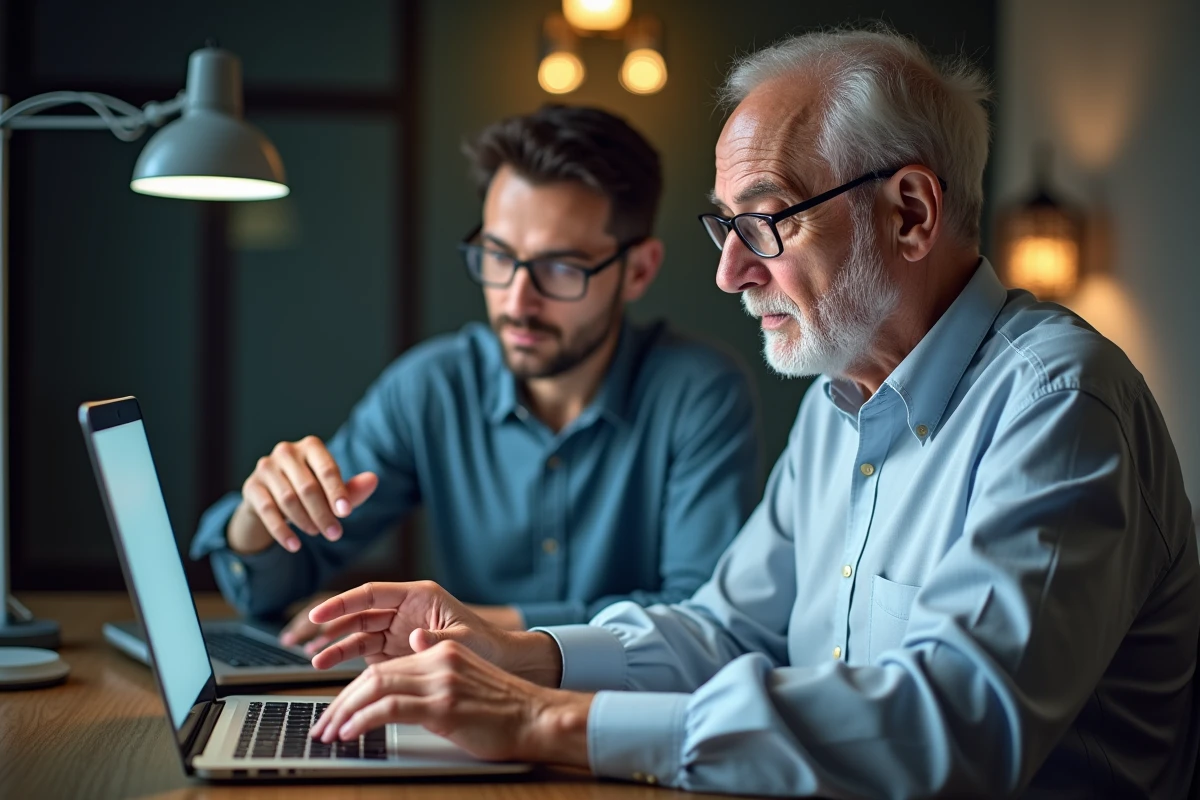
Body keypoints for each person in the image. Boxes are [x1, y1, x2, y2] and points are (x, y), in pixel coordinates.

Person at [301, 28, 1200, 797]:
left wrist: (542, 720)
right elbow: (731, 630)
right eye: (723, 227)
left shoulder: (1058, 405)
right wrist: (519, 654)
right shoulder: (837, 404)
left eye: (766, 223)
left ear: (912, 214)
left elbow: (953, 728)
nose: (732, 271)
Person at [190, 105, 760, 641]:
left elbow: (694, 614)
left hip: (624, 726)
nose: (517, 300)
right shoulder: (429, 390)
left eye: (560, 267)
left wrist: (467, 625)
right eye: (498, 256)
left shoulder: (699, 392)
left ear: (638, 271)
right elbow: (272, 588)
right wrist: (258, 514)